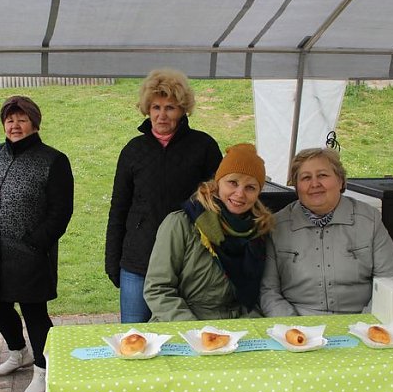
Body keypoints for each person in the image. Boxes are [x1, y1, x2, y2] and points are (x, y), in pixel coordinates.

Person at [0, 95, 73, 392]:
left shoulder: (53, 160)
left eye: (21, 119)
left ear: (34, 123)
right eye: (10, 119)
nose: (15, 125)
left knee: (34, 311)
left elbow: (61, 212)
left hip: (30, 252)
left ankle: (43, 368)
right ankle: (18, 352)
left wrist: (37, 243)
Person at [105, 68, 222, 323]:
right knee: (134, 338)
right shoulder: (133, 151)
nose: (162, 115)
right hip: (138, 262)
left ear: (182, 110)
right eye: (156, 107)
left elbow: (219, 202)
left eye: (170, 107)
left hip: (188, 264)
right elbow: (118, 208)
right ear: (148, 109)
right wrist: (113, 261)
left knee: (184, 338)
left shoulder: (204, 147)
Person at [260, 147, 393, 317]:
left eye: (322, 175)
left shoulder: (369, 220)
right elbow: (268, 291)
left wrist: (366, 322)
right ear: (297, 187)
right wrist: (293, 326)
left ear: (341, 180)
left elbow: (391, 281)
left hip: (361, 322)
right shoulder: (277, 225)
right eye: (306, 178)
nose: (314, 184)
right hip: (298, 326)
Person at [145, 143, 273, 321]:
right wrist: (196, 331)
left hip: (237, 327)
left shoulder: (260, 231)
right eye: (232, 182)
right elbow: (158, 289)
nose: (240, 193)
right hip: (182, 323)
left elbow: (257, 296)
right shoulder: (181, 224)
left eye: (250, 187)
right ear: (217, 183)